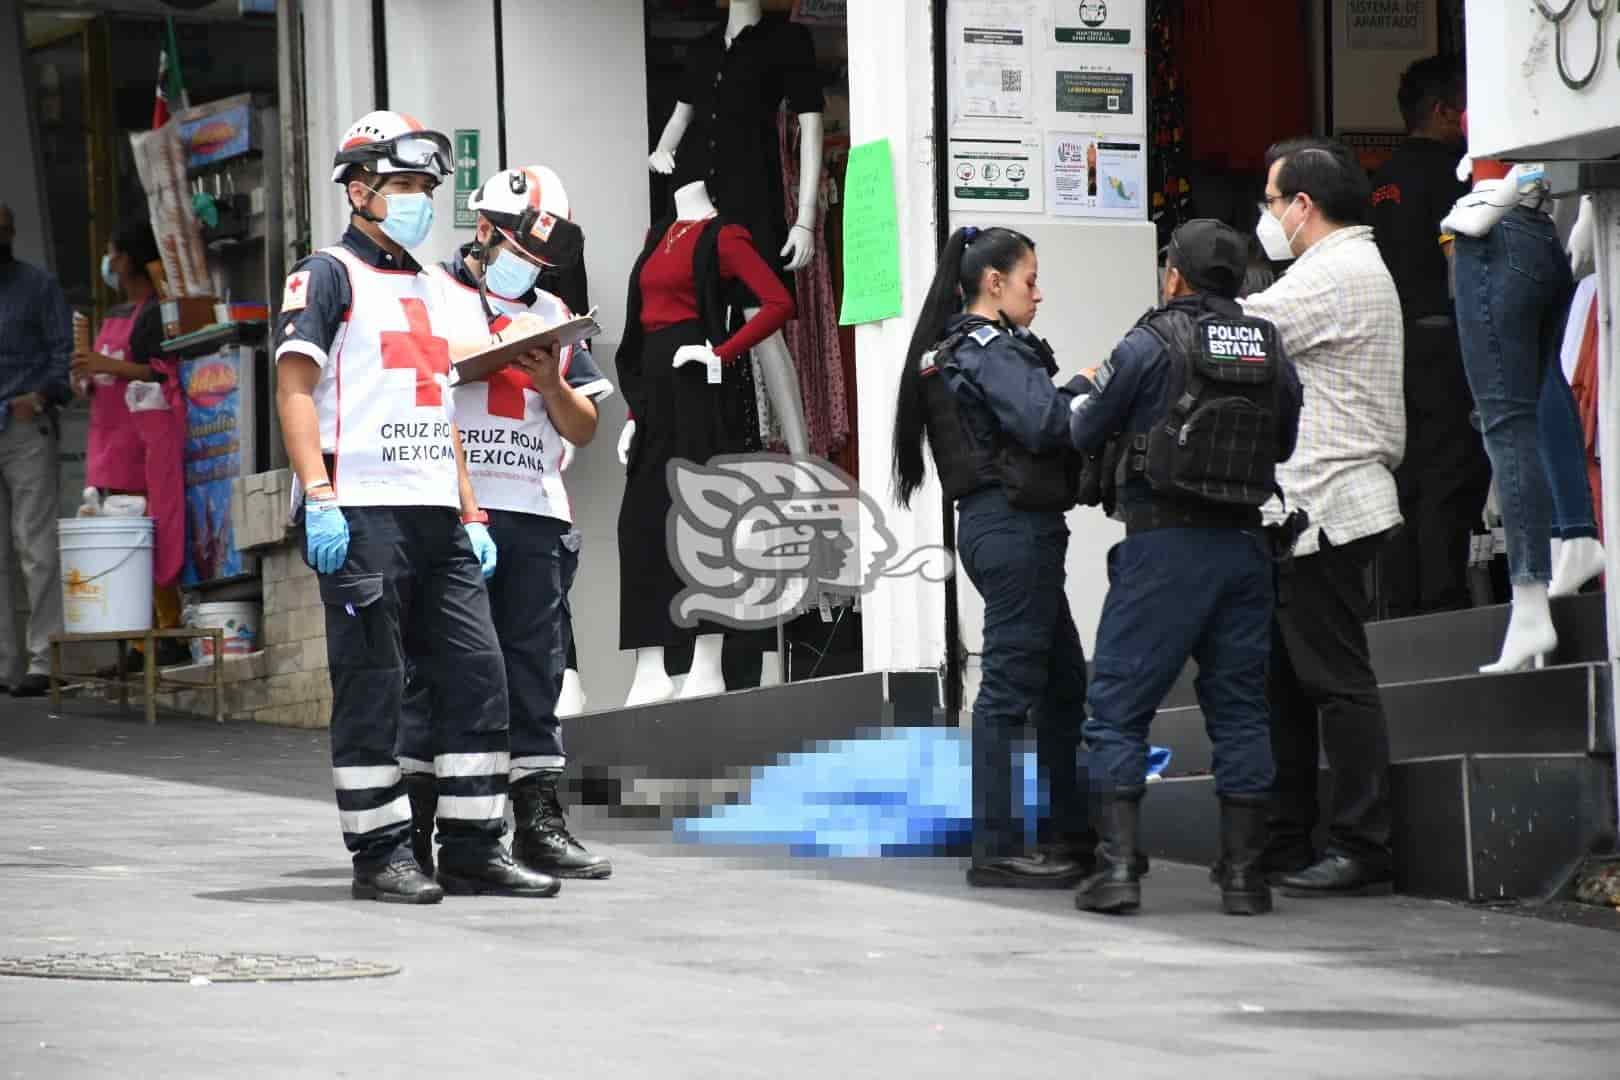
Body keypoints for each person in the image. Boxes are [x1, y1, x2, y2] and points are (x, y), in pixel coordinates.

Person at [274, 110, 557, 903]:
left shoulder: (435, 289)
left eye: (425, 188)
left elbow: (437, 404)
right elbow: (294, 388)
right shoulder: (325, 274)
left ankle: (471, 846)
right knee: (373, 686)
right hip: (361, 509)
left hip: (437, 511)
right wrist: (319, 496)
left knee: (478, 675)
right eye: (402, 186)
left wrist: (471, 511)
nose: (417, 201)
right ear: (360, 190)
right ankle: (381, 856)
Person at [1069, 219, 1302, 916]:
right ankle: (1244, 879)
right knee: (1239, 712)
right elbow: (1285, 441)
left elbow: (1085, 427)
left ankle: (1115, 872)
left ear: (1174, 274)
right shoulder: (1270, 346)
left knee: (1116, 707)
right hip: (1243, 550)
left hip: (1163, 547)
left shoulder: (1150, 339)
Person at [401, 164, 614, 881]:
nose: (530, 271)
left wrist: (550, 377)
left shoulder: (555, 314)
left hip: (534, 512)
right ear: (485, 229)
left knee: (533, 672)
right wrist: (474, 357)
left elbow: (583, 428)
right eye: (521, 255)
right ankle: (419, 826)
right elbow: (410, 377)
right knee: (440, 671)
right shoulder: (431, 293)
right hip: (454, 508)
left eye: (541, 263)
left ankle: (537, 823)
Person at [892, 225, 1092, 888]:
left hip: (993, 529)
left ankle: (1072, 833)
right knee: (1008, 690)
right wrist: (1087, 388)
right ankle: (999, 847)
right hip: (1014, 531)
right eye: (1030, 280)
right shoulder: (990, 349)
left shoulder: (947, 350)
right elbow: (1045, 424)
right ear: (994, 283)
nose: (1040, 293)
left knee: (1063, 685)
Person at [1241, 138, 1403, 898]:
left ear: (1303, 206)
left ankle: (1362, 843)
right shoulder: (1344, 268)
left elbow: (1238, 333)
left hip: (1328, 502)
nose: (1267, 216)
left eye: (1273, 202)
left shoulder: (1331, 273)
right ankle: (1289, 838)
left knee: (1334, 681)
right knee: (1288, 679)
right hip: (1315, 505)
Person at [1370, 56, 1490, 617]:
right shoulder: (1456, 174)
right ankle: (1442, 603)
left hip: (1390, 349)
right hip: (1444, 344)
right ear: (1443, 110)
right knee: (1449, 471)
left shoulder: (1379, 181)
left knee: (1403, 474)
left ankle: (1400, 605)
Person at [72, 221, 189, 669]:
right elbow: (99, 370)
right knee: (118, 540)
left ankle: (164, 632)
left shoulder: (157, 312)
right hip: (105, 435)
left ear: (128, 258)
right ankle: (136, 640)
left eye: (112, 252)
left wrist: (107, 364)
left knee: (148, 532)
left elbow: (157, 370)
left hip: (139, 434)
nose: (109, 261)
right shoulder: (116, 315)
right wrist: (86, 374)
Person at [0, 202, 70, 698]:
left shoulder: (36, 285)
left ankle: (44, 658)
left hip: (24, 424)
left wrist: (40, 396)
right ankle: (4, 664)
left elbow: (62, 354)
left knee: (36, 545)